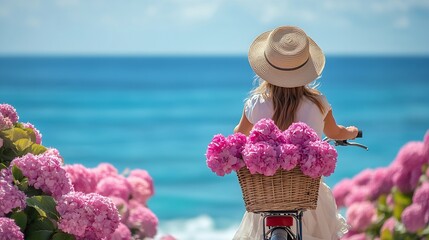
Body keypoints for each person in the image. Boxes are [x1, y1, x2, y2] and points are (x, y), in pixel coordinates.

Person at [233, 26, 358, 240]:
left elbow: (238, 135)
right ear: (305, 69)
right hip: (306, 194)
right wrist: (351, 132)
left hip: (267, 194)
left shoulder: (256, 103)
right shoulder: (318, 103)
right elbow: (334, 132)